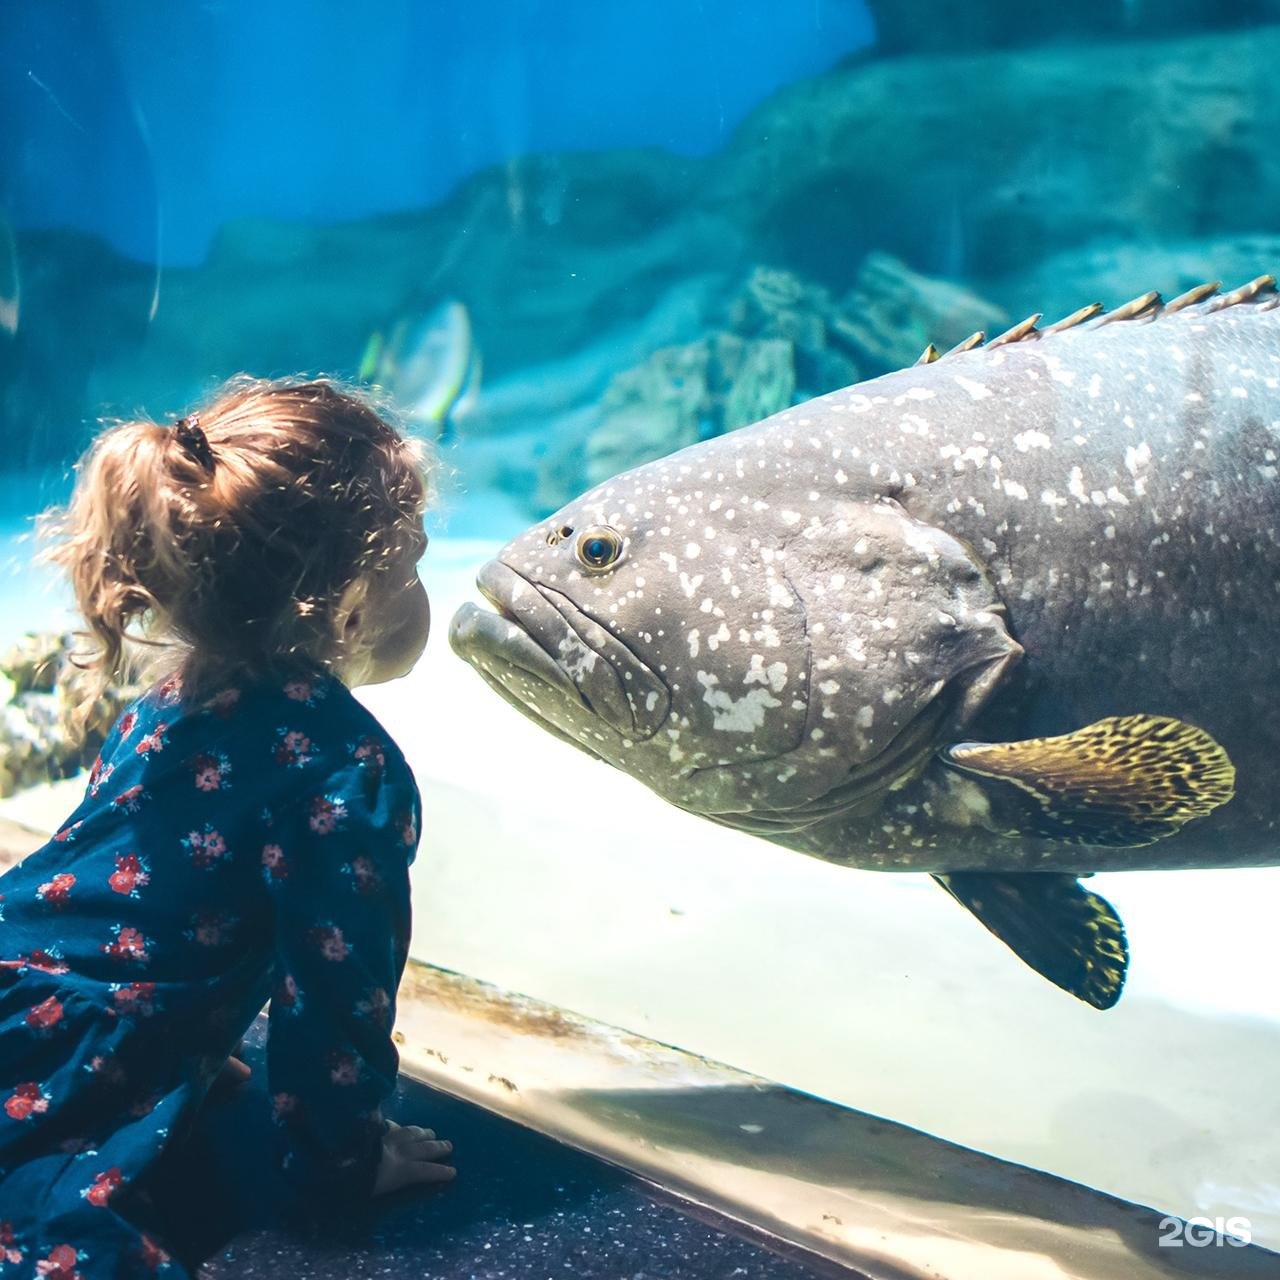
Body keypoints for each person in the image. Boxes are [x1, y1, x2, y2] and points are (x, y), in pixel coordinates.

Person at [0, 377, 454, 1279]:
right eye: (410, 564)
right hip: (57, 1057)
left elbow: (118, 893)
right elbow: (335, 991)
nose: (419, 586)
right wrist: (345, 1156)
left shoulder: (172, 696)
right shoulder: (346, 771)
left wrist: (197, 1047)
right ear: (349, 601)